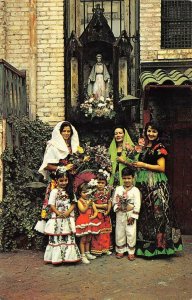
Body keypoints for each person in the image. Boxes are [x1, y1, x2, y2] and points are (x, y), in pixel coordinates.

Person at [133, 121, 183, 257]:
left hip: (156, 183)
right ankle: (146, 247)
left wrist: (143, 164)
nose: (151, 134)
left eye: (154, 131)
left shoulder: (159, 147)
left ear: (158, 133)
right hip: (143, 183)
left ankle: (160, 247)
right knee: (145, 214)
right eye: (149, 131)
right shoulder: (144, 146)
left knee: (158, 213)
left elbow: (161, 168)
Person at [35, 121, 79, 233]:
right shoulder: (53, 146)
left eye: (69, 131)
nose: (66, 133)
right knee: (55, 203)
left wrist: (74, 166)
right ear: (59, 132)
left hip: (70, 180)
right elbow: (47, 165)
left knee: (69, 203)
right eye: (64, 131)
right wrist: (62, 168)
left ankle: (69, 232)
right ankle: (52, 232)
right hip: (57, 181)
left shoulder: (73, 147)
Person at [44, 170, 81, 265]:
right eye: (61, 180)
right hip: (57, 218)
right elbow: (51, 204)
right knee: (58, 236)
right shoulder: (54, 191)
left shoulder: (70, 191)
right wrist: (58, 213)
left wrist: (68, 212)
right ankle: (57, 258)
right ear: (56, 181)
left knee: (68, 236)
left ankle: (69, 257)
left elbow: (73, 203)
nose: (64, 183)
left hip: (68, 217)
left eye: (65, 180)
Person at [112, 167, 141, 261]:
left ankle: (131, 251)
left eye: (129, 178)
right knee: (119, 232)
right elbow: (114, 201)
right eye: (124, 178)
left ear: (133, 178)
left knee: (131, 232)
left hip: (130, 215)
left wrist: (133, 216)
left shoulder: (135, 190)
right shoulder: (118, 189)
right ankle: (120, 250)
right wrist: (118, 207)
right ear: (122, 178)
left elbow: (137, 204)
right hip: (120, 214)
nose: (126, 180)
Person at [75, 183, 101, 264]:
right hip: (83, 220)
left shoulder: (91, 200)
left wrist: (94, 216)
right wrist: (88, 204)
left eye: (87, 192)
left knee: (89, 238)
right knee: (83, 239)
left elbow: (96, 210)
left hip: (90, 220)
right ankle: (83, 255)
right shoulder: (79, 201)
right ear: (80, 193)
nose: (86, 194)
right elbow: (83, 210)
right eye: (84, 192)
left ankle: (87, 253)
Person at [91, 172, 113, 256]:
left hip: (105, 215)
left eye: (102, 183)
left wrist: (108, 210)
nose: (100, 185)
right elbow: (92, 204)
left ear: (105, 183)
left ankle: (106, 248)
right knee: (98, 233)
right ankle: (97, 249)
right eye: (98, 182)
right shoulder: (93, 192)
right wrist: (102, 206)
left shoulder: (107, 192)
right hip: (97, 214)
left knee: (106, 232)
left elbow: (109, 202)